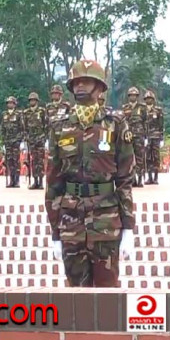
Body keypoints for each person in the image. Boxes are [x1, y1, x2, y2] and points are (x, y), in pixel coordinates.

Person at [45, 59, 135, 288]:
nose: (80, 86)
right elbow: (53, 182)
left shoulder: (115, 123)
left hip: (106, 221)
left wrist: (128, 228)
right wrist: (55, 232)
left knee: (108, 294)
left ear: (100, 87)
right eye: (76, 82)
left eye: (87, 81)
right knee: (75, 297)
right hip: (71, 222)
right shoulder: (59, 125)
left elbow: (125, 179)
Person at [122, 87, 147, 187]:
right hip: (128, 136)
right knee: (129, 158)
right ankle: (132, 178)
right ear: (129, 97)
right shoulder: (125, 107)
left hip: (139, 135)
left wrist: (146, 136)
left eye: (134, 95)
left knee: (139, 157)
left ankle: (140, 178)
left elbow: (146, 122)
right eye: (131, 95)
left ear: (137, 96)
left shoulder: (142, 107)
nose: (133, 97)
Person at [23, 92, 47, 189]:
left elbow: (46, 124)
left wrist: (44, 136)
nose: (32, 101)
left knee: (40, 160)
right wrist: (26, 137)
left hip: (40, 138)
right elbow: (25, 126)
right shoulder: (26, 112)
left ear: (37, 101)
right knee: (33, 160)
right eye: (31, 100)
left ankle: (41, 181)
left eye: (34, 100)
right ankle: (35, 180)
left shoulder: (41, 111)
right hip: (31, 139)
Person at [0, 96, 24, 187]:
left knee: (16, 160)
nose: (10, 104)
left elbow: (22, 128)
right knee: (9, 161)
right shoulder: (4, 114)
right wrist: (2, 138)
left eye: (11, 103)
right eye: (8, 103)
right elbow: (2, 127)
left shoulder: (18, 114)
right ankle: (11, 179)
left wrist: (19, 139)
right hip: (7, 141)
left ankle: (17, 180)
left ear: (14, 104)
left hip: (15, 141)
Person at [143, 90, 164, 184]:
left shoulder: (158, 110)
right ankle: (149, 177)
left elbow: (161, 124)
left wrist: (162, 137)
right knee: (147, 157)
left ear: (153, 100)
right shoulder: (142, 110)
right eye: (147, 99)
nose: (149, 100)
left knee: (156, 157)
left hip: (155, 136)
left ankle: (155, 177)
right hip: (146, 137)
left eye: (150, 99)